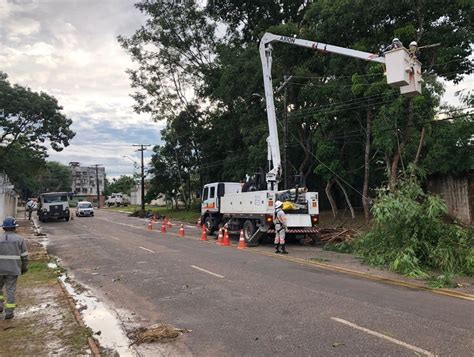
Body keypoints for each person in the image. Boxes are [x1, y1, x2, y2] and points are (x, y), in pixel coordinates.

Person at [0, 216, 29, 320]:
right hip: (13, 270)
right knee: (10, 290)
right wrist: (24, 268)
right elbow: (24, 256)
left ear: (3, 228)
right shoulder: (19, 239)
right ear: (14, 227)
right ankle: (9, 312)